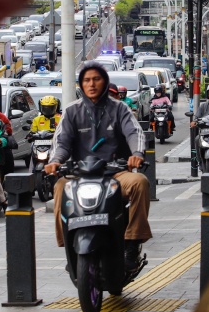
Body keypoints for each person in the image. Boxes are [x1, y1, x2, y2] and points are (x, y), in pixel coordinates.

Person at [44, 62, 152, 271]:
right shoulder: (71, 111)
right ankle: (68, 244)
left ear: (105, 82)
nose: (91, 84)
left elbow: (134, 133)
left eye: (96, 79)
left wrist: (136, 154)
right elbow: (61, 142)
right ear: (81, 84)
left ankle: (132, 242)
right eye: (86, 80)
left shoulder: (120, 108)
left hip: (115, 173)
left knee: (140, 183)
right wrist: (55, 161)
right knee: (59, 188)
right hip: (79, 174)